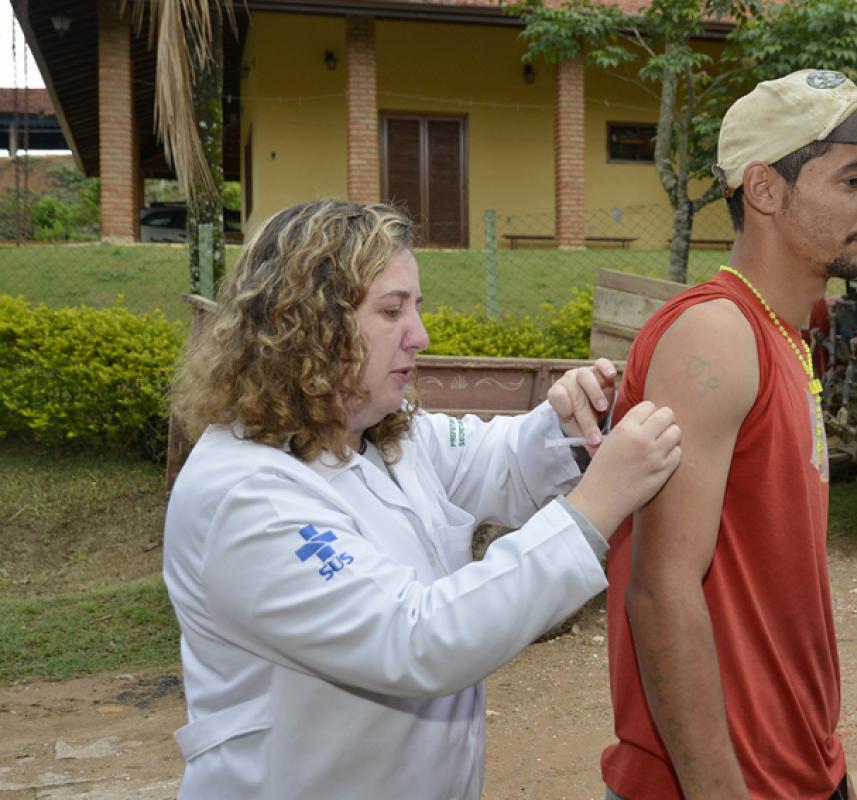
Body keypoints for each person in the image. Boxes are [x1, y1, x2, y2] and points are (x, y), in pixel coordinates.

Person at [163, 198, 682, 799]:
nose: (421, 335)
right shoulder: (246, 497)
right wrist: (595, 505)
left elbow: (499, 458)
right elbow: (415, 641)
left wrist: (571, 426)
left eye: (416, 307)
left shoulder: (376, 437)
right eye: (392, 311)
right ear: (307, 324)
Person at [600, 69, 857, 800]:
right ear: (764, 190)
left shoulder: (785, 334)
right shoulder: (717, 336)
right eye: (854, 180)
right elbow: (661, 591)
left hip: (798, 763)